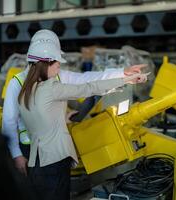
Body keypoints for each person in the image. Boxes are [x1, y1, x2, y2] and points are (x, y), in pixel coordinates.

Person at [17, 36, 148, 200]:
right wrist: (125, 79)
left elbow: (42, 117)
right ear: (46, 63)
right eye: (57, 62)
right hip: (54, 161)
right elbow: (88, 87)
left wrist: (64, 116)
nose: (59, 65)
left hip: (36, 161)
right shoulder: (51, 88)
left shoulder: (25, 91)